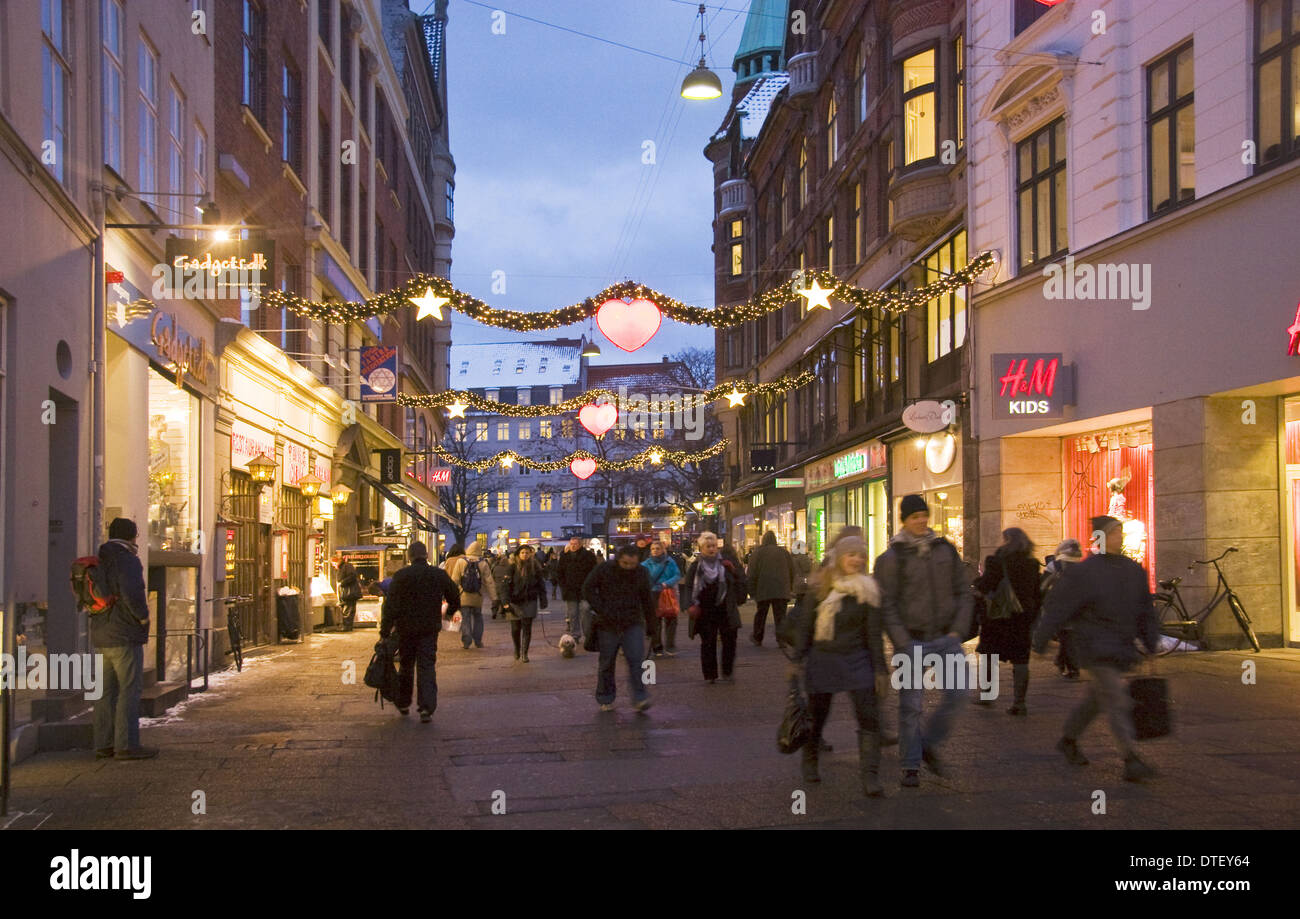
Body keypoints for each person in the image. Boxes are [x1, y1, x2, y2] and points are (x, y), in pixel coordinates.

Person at [1032, 516, 1161, 782]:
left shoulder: (1133, 570)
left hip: (1121, 645)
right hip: (1095, 646)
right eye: (1115, 533)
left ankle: (1069, 739)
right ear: (1101, 537)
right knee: (1116, 699)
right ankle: (1131, 759)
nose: (1120, 537)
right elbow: (1058, 607)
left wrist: (1151, 642)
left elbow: (1145, 610)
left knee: (1095, 700)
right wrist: (1041, 639)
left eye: (1121, 532)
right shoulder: (1085, 572)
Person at [874, 495, 973, 788]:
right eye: (914, 516)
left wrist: (958, 630)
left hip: (945, 637)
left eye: (923, 515)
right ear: (904, 520)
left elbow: (963, 591)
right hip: (912, 642)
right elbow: (886, 604)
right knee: (911, 706)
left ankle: (928, 743)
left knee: (959, 694)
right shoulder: (892, 558)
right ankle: (910, 764)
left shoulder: (945, 550)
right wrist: (901, 640)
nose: (920, 521)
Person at [790, 536, 886, 796]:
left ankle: (870, 777)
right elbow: (806, 627)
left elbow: (873, 634)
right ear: (840, 557)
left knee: (869, 717)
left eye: (860, 555)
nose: (856, 559)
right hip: (824, 659)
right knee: (818, 715)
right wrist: (798, 659)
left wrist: (880, 669)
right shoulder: (821, 587)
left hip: (858, 660)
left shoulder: (869, 589)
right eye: (851, 554)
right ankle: (810, 760)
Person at [92, 518, 158, 760]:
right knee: (128, 690)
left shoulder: (100, 557)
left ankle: (103, 743)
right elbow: (132, 592)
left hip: (101, 632)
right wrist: (142, 618)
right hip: (124, 633)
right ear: (132, 536)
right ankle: (126, 745)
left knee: (104, 691)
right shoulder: (126, 559)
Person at [380, 541, 460, 722]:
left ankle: (403, 702)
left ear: (409, 556)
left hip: (405, 628)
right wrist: (448, 612)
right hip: (428, 628)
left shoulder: (401, 576)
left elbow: (390, 605)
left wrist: (385, 629)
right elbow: (454, 594)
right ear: (426, 555)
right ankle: (426, 708)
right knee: (427, 666)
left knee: (406, 666)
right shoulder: (437, 574)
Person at [973, 527, 1042, 716]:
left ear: (1007, 540)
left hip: (998, 617)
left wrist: (976, 586)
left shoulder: (996, 561)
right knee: (1021, 659)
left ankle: (987, 695)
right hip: (1021, 619)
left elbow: (986, 584)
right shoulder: (1032, 563)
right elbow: (1037, 593)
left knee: (989, 655)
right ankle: (1019, 702)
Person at [582, 545, 655, 711]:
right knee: (607, 662)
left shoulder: (641, 572)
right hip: (608, 623)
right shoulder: (604, 568)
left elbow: (647, 600)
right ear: (619, 559)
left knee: (636, 660)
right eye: (625, 563)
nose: (629, 567)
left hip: (632, 621)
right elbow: (587, 588)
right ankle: (605, 697)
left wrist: (652, 625)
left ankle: (640, 696)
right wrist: (601, 608)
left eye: (632, 564)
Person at [685, 531, 747, 684]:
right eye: (708, 546)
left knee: (730, 640)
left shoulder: (726, 563)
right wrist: (690, 605)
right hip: (705, 610)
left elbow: (740, 580)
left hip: (725, 608)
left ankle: (727, 671)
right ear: (701, 548)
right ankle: (710, 674)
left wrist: (733, 571)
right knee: (708, 642)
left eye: (713, 546)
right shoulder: (696, 566)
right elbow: (688, 587)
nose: (712, 549)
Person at [1041, 539, 1085, 678]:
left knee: (1066, 635)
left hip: (1059, 604)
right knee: (1068, 635)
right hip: (1077, 605)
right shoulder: (1083, 566)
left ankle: (1071, 667)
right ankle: (1064, 662)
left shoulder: (1054, 565)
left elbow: (1042, 586)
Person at [746, 530, 795, 647]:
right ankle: (781, 639)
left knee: (761, 614)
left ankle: (758, 637)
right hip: (781, 589)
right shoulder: (784, 553)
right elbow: (792, 571)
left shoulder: (758, 553)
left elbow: (752, 573)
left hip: (763, 589)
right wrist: (790, 587)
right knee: (780, 615)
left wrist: (751, 590)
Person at [503, 544, 548, 663]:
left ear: (530, 554)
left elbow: (541, 584)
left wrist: (543, 599)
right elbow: (505, 586)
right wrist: (505, 602)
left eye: (527, 553)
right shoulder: (512, 567)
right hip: (515, 601)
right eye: (522, 553)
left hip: (530, 600)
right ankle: (517, 649)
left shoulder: (535, 567)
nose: (525, 555)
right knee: (515, 628)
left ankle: (524, 653)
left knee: (527, 627)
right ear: (518, 554)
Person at [447, 541, 496, 650]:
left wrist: (450, 595)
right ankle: (478, 640)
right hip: (477, 596)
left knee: (465, 618)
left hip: (463, 595)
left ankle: (466, 640)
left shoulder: (461, 562)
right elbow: (489, 582)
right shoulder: (483, 563)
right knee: (478, 617)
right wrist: (494, 598)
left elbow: (455, 580)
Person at [642, 541, 682, 656]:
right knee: (656, 621)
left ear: (662, 550)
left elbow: (677, 574)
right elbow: (643, 578)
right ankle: (657, 646)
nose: (655, 550)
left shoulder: (670, 562)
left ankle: (670, 645)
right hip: (653, 593)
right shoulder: (645, 564)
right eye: (653, 548)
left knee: (671, 618)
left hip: (667, 592)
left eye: (657, 548)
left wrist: (667, 583)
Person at [556, 536, 599, 643]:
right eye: (571, 543)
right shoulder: (565, 557)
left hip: (585, 590)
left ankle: (588, 634)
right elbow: (560, 573)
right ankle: (575, 635)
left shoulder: (588, 556)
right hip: (570, 590)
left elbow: (594, 572)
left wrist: (592, 587)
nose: (573, 546)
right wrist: (563, 586)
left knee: (586, 610)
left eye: (575, 544)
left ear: (580, 544)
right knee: (573, 614)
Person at [336, 559, 361, 631]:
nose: (333, 566)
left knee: (348, 610)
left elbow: (352, 576)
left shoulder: (346, 566)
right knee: (349, 609)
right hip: (348, 593)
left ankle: (347, 626)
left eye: (333, 563)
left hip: (349, 593)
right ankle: (348, 626)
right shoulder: (344, 567)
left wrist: (342, 582)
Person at [490, 549, 513, 620]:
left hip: (496, 585)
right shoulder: (509, 568)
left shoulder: (496, 567)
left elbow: (492, 576)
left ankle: (494, 612)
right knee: (504, 600)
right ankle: (504, 612)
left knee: (495, 600)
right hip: (505, 586)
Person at [791, 539, 813, 612]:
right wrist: (811, 560)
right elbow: (809, 568)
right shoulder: (802, 557)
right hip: (804, 583)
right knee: (803, 603)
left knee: (799, 602)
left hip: (797, 582)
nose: (807, 548)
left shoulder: (793, 557)